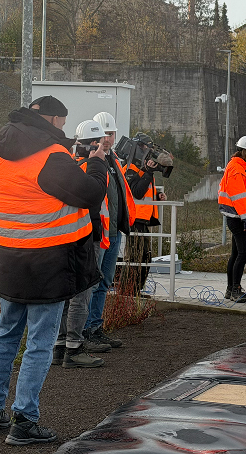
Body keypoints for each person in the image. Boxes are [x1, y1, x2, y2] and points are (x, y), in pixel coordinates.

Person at [0, 96, 107, 445]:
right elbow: (90, 194)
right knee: (39, 342)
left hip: (8, 258)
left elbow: (30, 187)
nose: (63, 130)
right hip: (47, 264)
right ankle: (24, 420)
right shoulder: (51, 156)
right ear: (52, 120)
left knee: (6, 335)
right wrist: (96, 164)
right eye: (62, 123)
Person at [52, 120, 112, 369]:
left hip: (69, 235)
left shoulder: (69, 165)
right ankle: (74, 348)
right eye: (99, 143)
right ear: (93, 145)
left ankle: (60, 346)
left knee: (67, 294)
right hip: (87, 236)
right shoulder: (91, 167)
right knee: (81, 294)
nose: (104, 146)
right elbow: (95, 199)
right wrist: (99, 163)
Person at [84, 112, 136, 350]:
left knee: (104, 283)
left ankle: (95, 328)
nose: (107, 139)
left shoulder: (114, 160)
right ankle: (85, 332)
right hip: (99, 234)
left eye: (111, 134)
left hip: (113, 232)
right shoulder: (90, 160)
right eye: (104, 134)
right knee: (92, 284)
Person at [123, 131, 168, 294]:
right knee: (135, 257)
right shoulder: (130, 168)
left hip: (143, 219)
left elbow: (145, 191)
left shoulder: (142, 169)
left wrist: (158, 195)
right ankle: (128, 292)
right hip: (134, 219)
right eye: (146, 147)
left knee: (145, 257)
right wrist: (148, 172)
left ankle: (136, 290)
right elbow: (136, 192)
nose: (149, 151)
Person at [218, 135, 246, 302]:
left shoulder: (235, 166)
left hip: (235, 217)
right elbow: (240, 198)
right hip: (237, 218)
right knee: (243, 253)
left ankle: (231, 289)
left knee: (236, 254)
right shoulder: (237, 170)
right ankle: (235, 289)